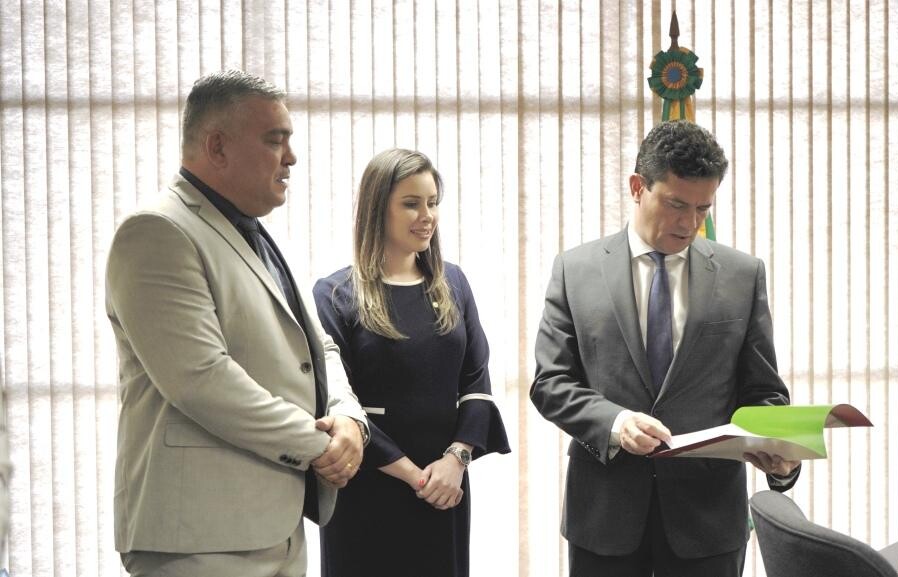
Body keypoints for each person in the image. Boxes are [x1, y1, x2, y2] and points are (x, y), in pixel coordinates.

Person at [105, 69, 369, 577]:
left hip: (274, 524)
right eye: (275, 141)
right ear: (218, 147)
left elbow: (319, 348)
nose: (290, 158)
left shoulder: (254, 233)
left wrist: (350, 420)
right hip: (199, 538)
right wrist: (321, 446)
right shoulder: (157, 232)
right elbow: (201, 379)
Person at [530, 119, 802, 576]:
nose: (689, 223)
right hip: (604, 516)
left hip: (708, 522)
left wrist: (778, 454)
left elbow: (764, 391)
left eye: (702, 208)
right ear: (638, 187)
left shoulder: (742, 275)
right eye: (676, 204)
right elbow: (551, 383)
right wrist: (615, 423)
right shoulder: (575, 270)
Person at [313, 148, 510, 577]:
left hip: (446, 485)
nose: (427, 215)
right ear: (376, 208)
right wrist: (413, 476)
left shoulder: (453, 282)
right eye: (411, 203)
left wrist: (456, 461)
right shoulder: (334, 294)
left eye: (432, 202)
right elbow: (334, 400)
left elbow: (477, 382)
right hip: (367, 485)